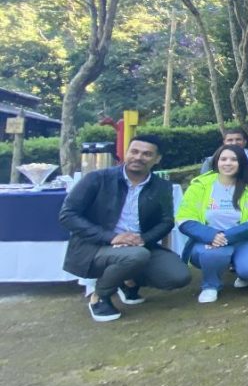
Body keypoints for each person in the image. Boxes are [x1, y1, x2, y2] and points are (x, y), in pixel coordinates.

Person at [59, 135, 191, 322]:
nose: (138, 157)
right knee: (136, 255)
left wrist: (143, 239)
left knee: (178, 276)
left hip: (140, 245)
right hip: (96, 246)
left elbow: (166, 221)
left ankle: (128, 281)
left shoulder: (162, 187)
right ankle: (100, 296)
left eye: (147, 154)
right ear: (125, 153)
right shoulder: (98, 179)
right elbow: (68, 215)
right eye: (134, 151)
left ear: (157, 159)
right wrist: (111, 237)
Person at [176, 145, 248, 303]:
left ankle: (243, 272)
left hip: (243, 239)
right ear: (216, 161)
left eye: (234, 159)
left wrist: (224, 237)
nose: (228, 163)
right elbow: (184, 218)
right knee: (215, 253)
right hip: (207, 241)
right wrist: (210, 235)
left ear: (241, 163)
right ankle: (211, 285)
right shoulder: (199, 186)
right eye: (224, 159)